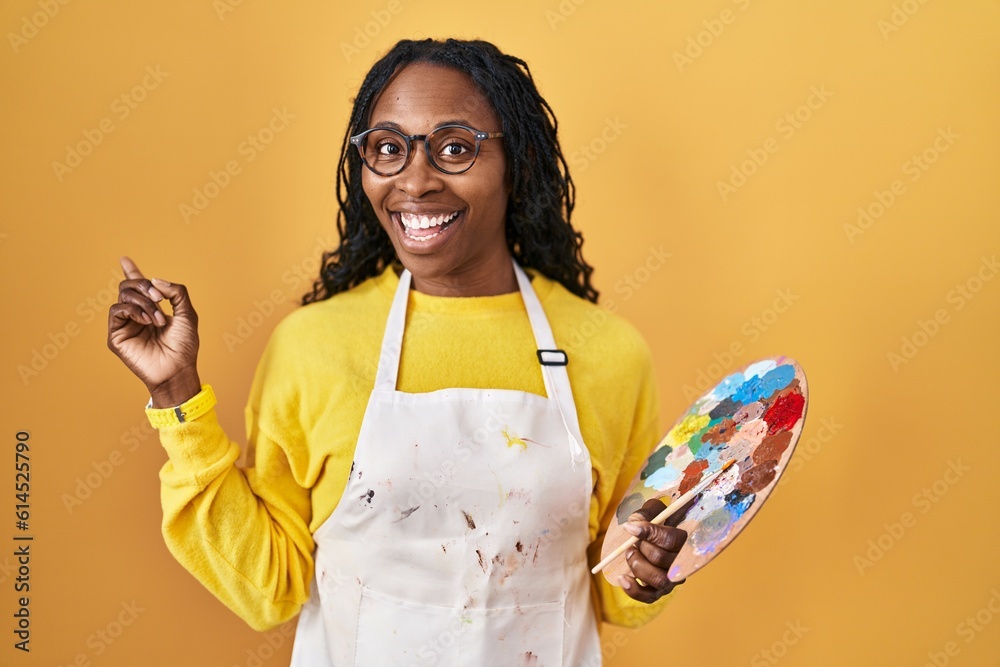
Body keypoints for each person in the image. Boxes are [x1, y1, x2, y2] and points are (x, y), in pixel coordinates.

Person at [108, 38, 688, 666]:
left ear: (515, 162)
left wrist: (653, 565)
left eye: (455, 148)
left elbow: (619, 592)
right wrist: (176, 397)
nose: (415, 180)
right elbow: (270, 589)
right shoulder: (313, 347)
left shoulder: (609, 354)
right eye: (388, 148)